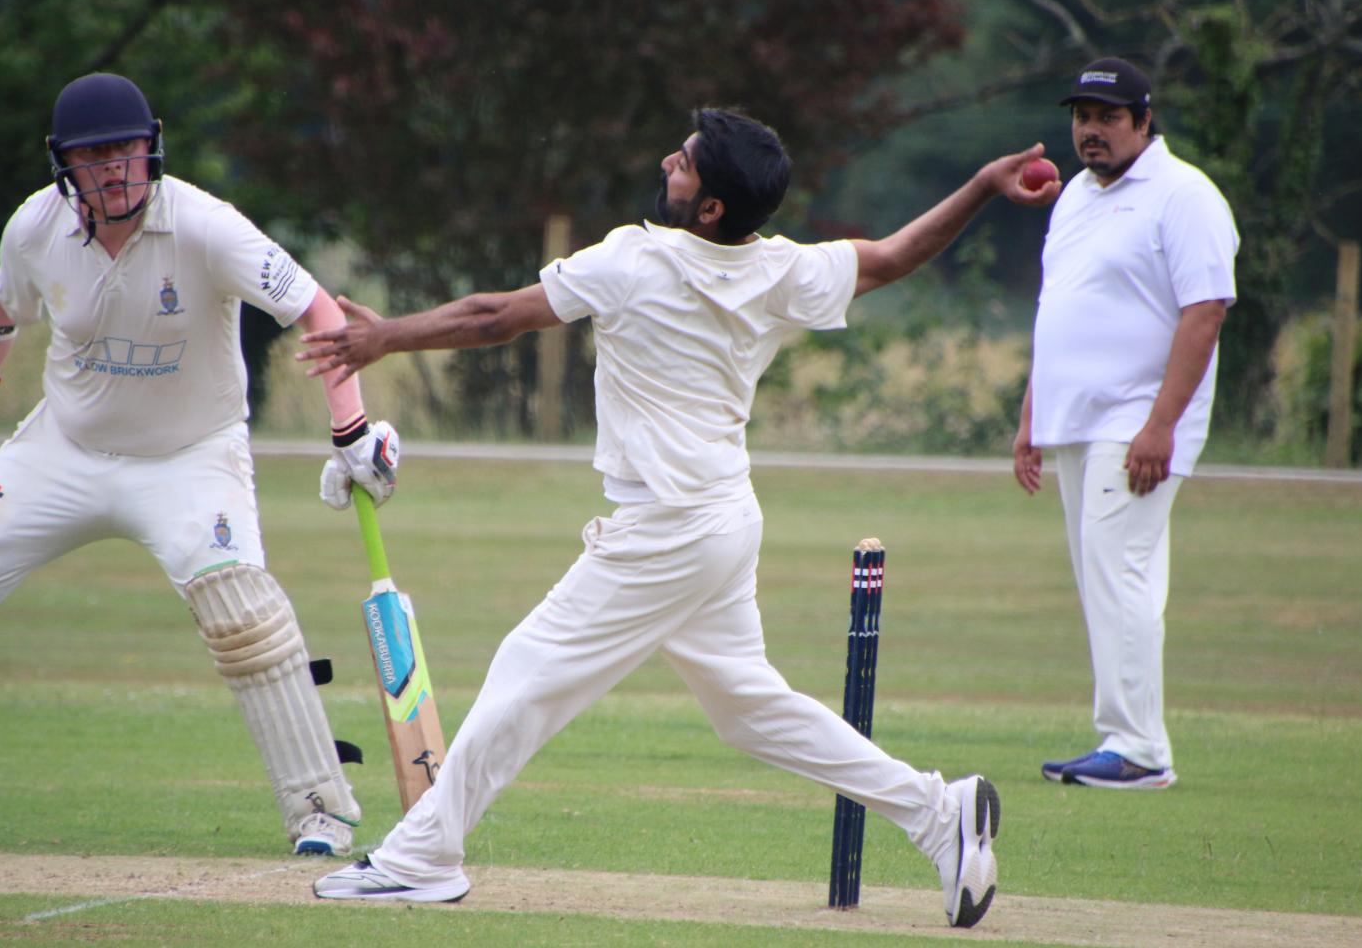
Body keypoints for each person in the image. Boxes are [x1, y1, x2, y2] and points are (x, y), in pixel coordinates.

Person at [299, 108, 1057, 927]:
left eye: (686, 164)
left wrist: (386, 339)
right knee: (750, 713)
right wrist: (982, 186)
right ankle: (941, 812)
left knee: (526, 671)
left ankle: (422, 857)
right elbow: (894, 258)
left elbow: (497, 317)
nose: (669, 160)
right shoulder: (779, 269)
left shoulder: (635, 257)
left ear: (709, 209)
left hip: (666, 528)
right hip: (724, 519)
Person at [0, 72, 401, 856]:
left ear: (152, 149)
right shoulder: (35, 227)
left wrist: (352, 432)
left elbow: (317, 310)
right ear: (67, 167)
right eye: (96, 158)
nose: (115, 170)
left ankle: (318, 807)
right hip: (64, 449)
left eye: (128, 152)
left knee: (243, 613)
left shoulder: (206, 226)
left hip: (191, 456)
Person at [1013, 58, 1238, 790]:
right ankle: (1128, 740)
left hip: (1139, 419)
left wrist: (1160, 427)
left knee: (1120, 573)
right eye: (1082, 117)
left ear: (1145, 122)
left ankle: (1138, 748)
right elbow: (1059, 310)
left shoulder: (1184, 195)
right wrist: (1031, 417)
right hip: (1077, 417)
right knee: (1106, 575)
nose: (1091, 131)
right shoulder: (1075, 197)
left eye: (1108, 118)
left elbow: (1205, 310)